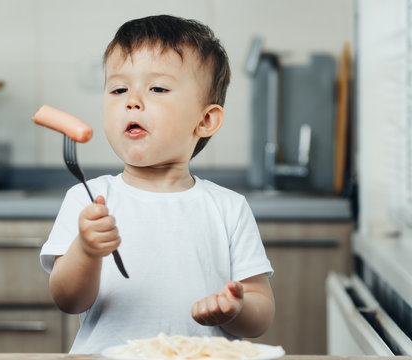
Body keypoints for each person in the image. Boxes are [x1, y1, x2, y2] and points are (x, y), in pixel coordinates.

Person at [40, 14, 275, 354]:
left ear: (206, 120)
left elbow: (261, 314)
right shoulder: (87, 200)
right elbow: (68, 300)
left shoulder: (229, 207)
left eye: (158, 89)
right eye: (119, 89)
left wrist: (235, 309)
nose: (131, 101)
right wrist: (87, 250)